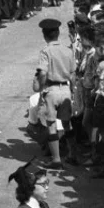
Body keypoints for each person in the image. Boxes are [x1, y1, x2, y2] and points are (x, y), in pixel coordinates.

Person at [34, 19, 75, 169]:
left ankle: (56, 159)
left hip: (51, 90)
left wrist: (40, 85)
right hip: (65, 89)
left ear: (44, 36)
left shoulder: (46, 51)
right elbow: (73, 73)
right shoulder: (68, 50)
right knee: (67, 124)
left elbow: (43, 72)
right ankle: (72, 154)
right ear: (58, 33)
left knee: (51, 125)